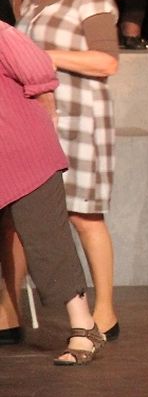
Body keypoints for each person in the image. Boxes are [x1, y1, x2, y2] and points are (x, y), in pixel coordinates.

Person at [15, 0, 121, 341]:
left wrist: (43, 58)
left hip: (80, 119)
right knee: (23, 216)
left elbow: (106, 61)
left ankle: (105, 311)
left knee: (82, 215)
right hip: (35, 122)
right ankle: (9, 309)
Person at [0, 20, 106, 365]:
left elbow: (39, 69)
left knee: (46, 240)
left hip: (25, 154)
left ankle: (85, 327)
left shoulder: (1, 34)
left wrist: (49, 108)